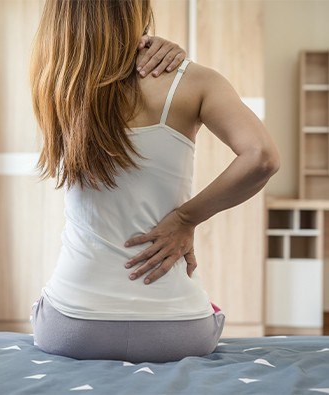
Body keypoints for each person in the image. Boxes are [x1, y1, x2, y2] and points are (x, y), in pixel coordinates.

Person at [29, 0, 280, 364]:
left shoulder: (54, 86)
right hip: (178, 330)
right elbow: (262, 156)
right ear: (135, 12)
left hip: (73, 327)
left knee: (45, 303)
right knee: (205, 306)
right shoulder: (193, 81)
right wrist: (184, 220)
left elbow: (100, 67)